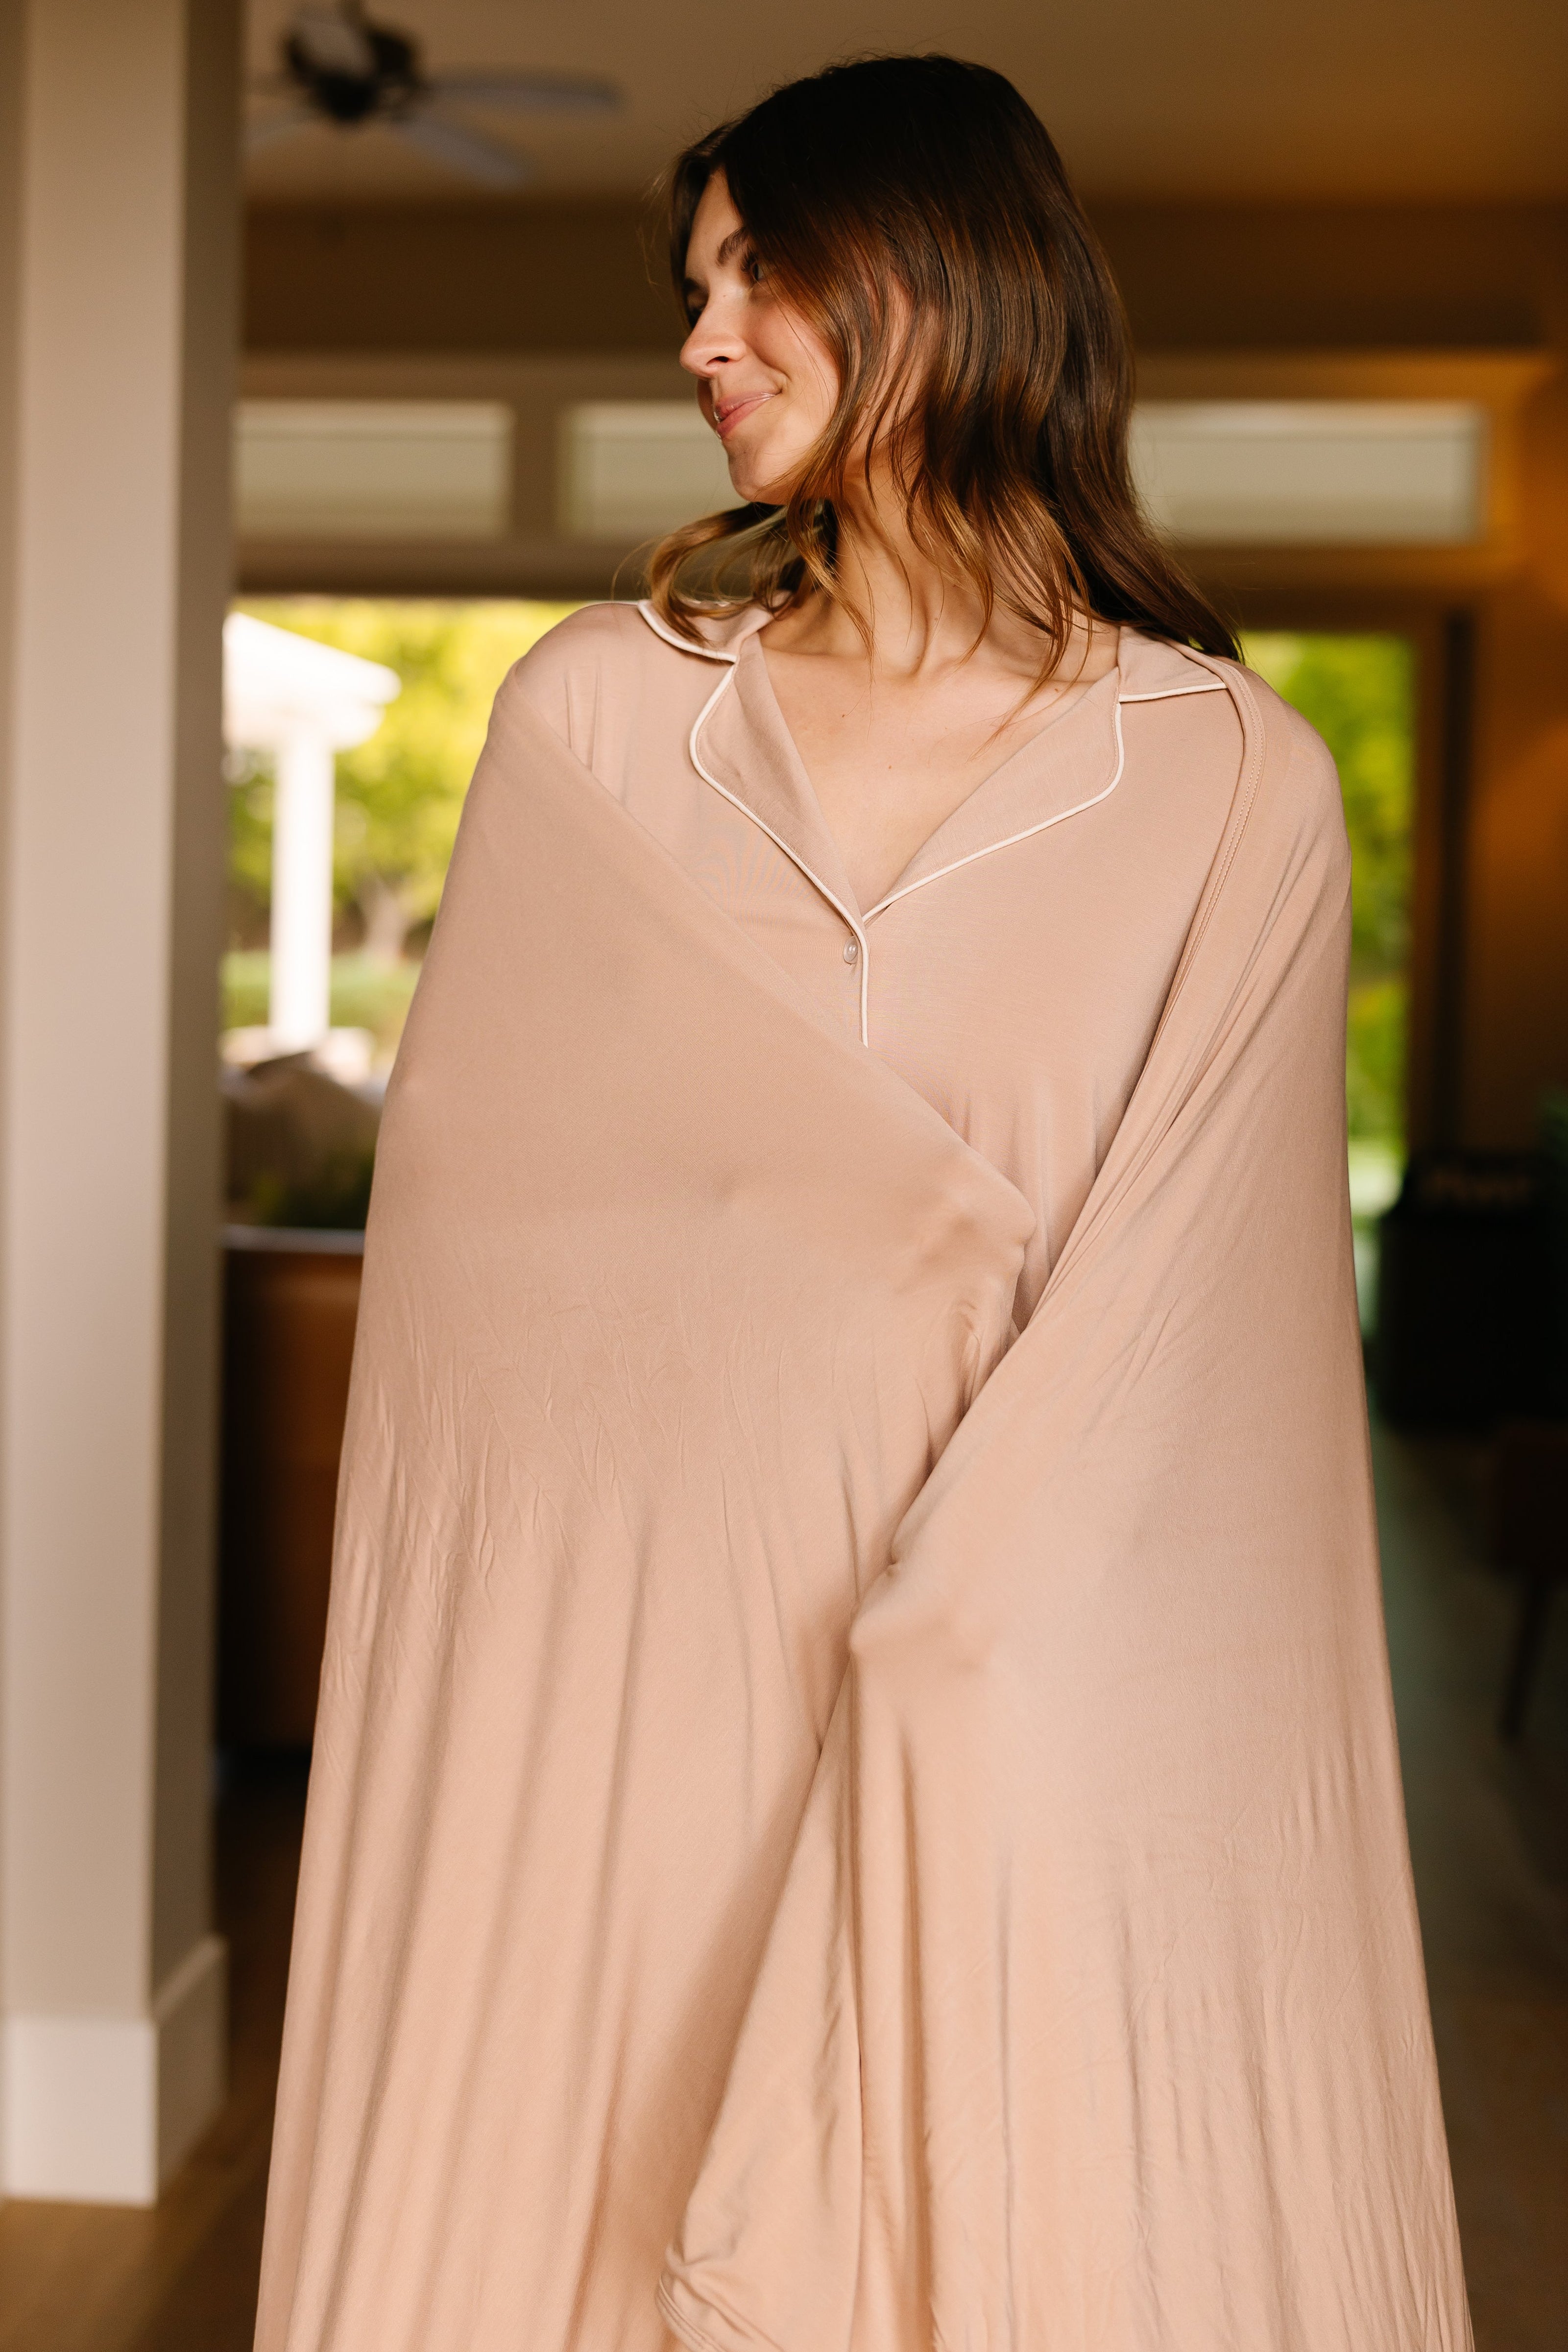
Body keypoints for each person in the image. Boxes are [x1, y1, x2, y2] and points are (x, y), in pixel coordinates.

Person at [253, 55, 1472, 2352]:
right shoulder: (600, 725)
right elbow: (484, 1253)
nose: (701, 336)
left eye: (760, 272)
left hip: (1022, 1677)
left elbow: (1209, 1335)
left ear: (936, 272)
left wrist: (949, 1589)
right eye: (693, 284)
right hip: (636, 1681)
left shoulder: (1231, 785)